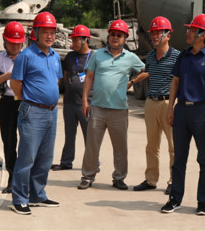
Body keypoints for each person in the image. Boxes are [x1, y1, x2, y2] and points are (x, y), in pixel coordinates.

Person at [161, 13, 205, 216]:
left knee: (204, 159)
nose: (188, 32)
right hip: (182, 111)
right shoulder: (183, 56)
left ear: (203, 34)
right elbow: (175, 82)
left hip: (202, 112)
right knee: (179, 158)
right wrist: (170, 108)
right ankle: (175, 199)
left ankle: (202, 202)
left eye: (192, 29)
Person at [78, 20, 145, 191]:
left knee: (120, 147)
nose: (115, 37)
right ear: (108, 36)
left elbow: (145, 70)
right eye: (113, 34)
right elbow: (89, 77)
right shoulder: (97, 55)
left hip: (119, 110)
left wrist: (132, 81)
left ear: (125, 38)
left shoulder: (130, 58)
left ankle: (119, 178)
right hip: (97, 108)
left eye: (119, 35)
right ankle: (88, 176)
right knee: (92, 145)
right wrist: (85, 100)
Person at [10, 12, 63, 215]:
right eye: (45, 32)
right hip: (32, 111)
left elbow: (56, 80)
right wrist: (30, 100)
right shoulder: (26, 56)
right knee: (27, 157)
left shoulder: (55, 56)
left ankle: (37, 195)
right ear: (36, 32)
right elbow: (15, 83)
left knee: (45, 158)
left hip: (52, 112)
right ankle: (20, 198)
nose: (49, 36)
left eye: (52, 32)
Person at [129, 16, 180, 195]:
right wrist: (133, 81)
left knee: (173, 146)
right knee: (151, 145)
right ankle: (151, 179)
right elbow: (148, 72)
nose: (154, 36)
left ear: (168, 36)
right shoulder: (151, 56)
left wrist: (174, 105)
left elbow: (179, 81)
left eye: (159, 33)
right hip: (151, 103)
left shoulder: (177, 57)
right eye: (153, 33)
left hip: (168, 103)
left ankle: (174, 181)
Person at [0, 21, 26, 194]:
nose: (15, 46)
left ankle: (24, 177)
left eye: (18, 43)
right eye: (11, 43)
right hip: (8, 102)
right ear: (5, 41)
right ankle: (12, 177)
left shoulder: (28, 57)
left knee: (27, 141)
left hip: (25, 101)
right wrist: (8, 75)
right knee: (9, 141)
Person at [52, 25, 93, 171]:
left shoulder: (94, 57)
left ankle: (93, 163)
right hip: (69, 103)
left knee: (89, 136)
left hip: (87, 103)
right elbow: (66, 76)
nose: (73, 43)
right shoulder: (70, 57)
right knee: (69, 135)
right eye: (73, 40)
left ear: (85, 40)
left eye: (76, 40)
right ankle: (66, 162)